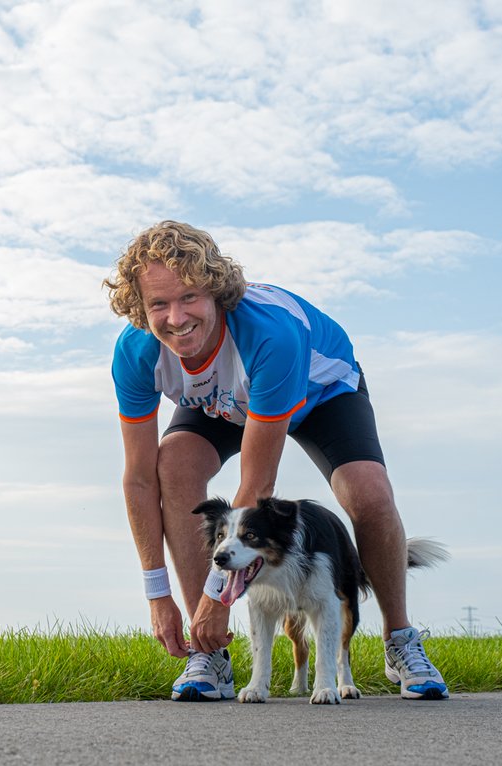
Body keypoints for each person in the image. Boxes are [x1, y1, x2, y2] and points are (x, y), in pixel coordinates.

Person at [104, 220, 449, 701]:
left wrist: (217, 597)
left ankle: (400, 640)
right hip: (229, 401)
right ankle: (210, 655)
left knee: (367, 492)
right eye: (158, 304)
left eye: (189, 298)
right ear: (141, 309)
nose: (176, 318)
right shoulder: (136, 351)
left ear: (217, 293)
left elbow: (255, 488)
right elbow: (138, 481)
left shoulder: (269, 335)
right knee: (172, 466)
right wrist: (157, 595)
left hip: (318, 390)